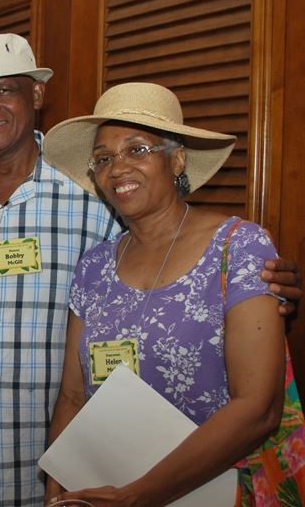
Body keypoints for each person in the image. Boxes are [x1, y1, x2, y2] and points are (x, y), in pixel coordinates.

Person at [0, 33, 302, 506]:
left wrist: (264, 286)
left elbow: (187, 261)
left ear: (36, 94)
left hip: (152, 482)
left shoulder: (94, 200)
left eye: (4, 89)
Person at [42, 82, 303, 506]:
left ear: (177, 159)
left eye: (137, 150)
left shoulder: (238, 247)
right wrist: (59, 474)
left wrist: (139, 495)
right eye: (104, 158)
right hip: (107, 487)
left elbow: (259, 409)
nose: (118, 168)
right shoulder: (93, 267)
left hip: (215, 491)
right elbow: (73, 395)